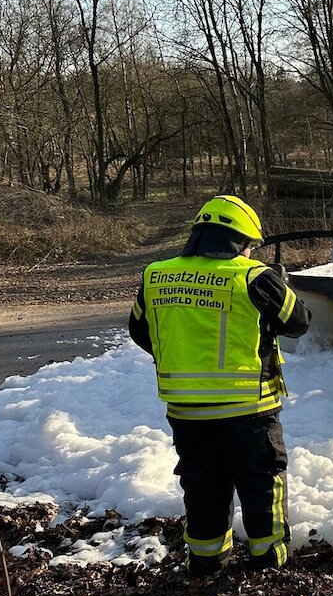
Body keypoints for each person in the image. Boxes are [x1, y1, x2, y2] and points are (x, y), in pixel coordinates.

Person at [128, 195, 311, 576]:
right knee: (262, 485)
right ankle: (269, 565)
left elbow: (140, 331)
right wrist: (278, 285)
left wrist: (184, 358)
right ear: (240, 240)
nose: (250, 252)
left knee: (202, 488)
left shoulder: (156, 275)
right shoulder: (253, 276)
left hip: (186, 412)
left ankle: (205, 563)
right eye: (250, 245)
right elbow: (298, 322)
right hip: (249, 410)